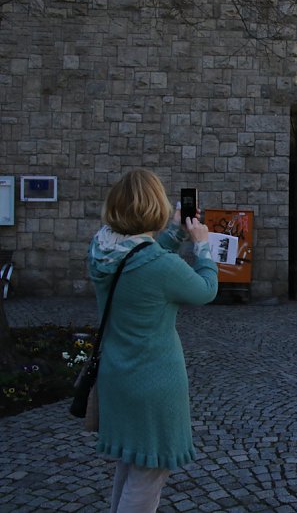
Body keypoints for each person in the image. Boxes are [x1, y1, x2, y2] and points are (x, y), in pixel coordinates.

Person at [87, 169, 218, 512]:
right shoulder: (159, 265)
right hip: (154, 380)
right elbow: (205, 290)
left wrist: (175, 232)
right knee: (150, 470)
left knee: (132, 462)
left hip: (117, 374)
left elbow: (140, 258)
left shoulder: (102, 249)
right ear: (155, 207)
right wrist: (202, 245)